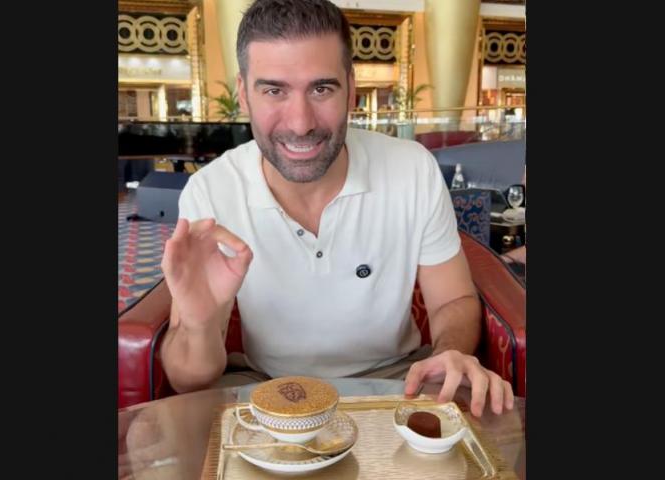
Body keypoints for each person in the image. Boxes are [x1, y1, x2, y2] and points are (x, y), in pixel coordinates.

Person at [159, 0, 513, 417]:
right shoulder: (211, 191)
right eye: (274, 90)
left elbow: (453, 299)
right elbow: (188, 381)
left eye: (321, 89)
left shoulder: (412, 168)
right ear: (243, 93)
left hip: (397, 378)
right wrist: (199, 325)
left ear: (351, 87)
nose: (301, 123)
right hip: (263, 386)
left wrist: (450, 352)